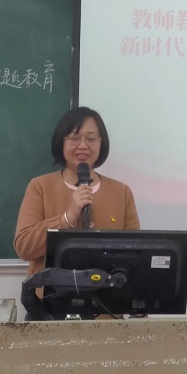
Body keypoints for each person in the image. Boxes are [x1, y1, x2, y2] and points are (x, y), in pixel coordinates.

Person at [13, 106, 140, 275]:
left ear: (101, 143)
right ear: (61, 142)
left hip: (107, 290)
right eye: (74, 138)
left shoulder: (121, 193)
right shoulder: (40, 187)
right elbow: (24, 247)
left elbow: (136, 253)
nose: (83, 145)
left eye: (91, 139)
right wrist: (67, 218)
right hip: (51, 290)